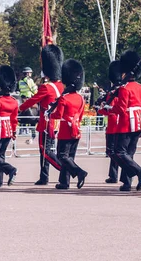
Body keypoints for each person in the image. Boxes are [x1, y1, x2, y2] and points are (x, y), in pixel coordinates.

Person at [19, 45, 64, 185]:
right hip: (58, 122)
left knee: (45, 150)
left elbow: (33, 99)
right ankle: (44, 176)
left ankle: (65, 170)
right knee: (48, 149)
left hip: (47, 123)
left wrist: (20, 108)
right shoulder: (62, 86)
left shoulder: (46, 87)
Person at [110, 50, 141, 192]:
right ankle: (127, 183)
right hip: (138, 123)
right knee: (129, 153)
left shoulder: (124, 89)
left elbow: (121, 109)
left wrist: (109, 109)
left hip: (127, 123)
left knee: (119, 152)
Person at [50, 59, 88, 190]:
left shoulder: (64, 98)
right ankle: (64, 182)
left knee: (62, 156)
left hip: (66, 130)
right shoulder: (81, 98)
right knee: (69, 157)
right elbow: (81, 115)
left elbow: (58, 115)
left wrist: (49, 114)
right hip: (76, 129)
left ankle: (79, 172)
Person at [97, 61, 123, 184]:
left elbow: (110, 109)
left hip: (113, 125)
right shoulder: (119, 90)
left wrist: (100, 110)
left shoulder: (114, 93)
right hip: (119, 124)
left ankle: (117, 174)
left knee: (112, 152)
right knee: (115, 152)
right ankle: (114, 175)